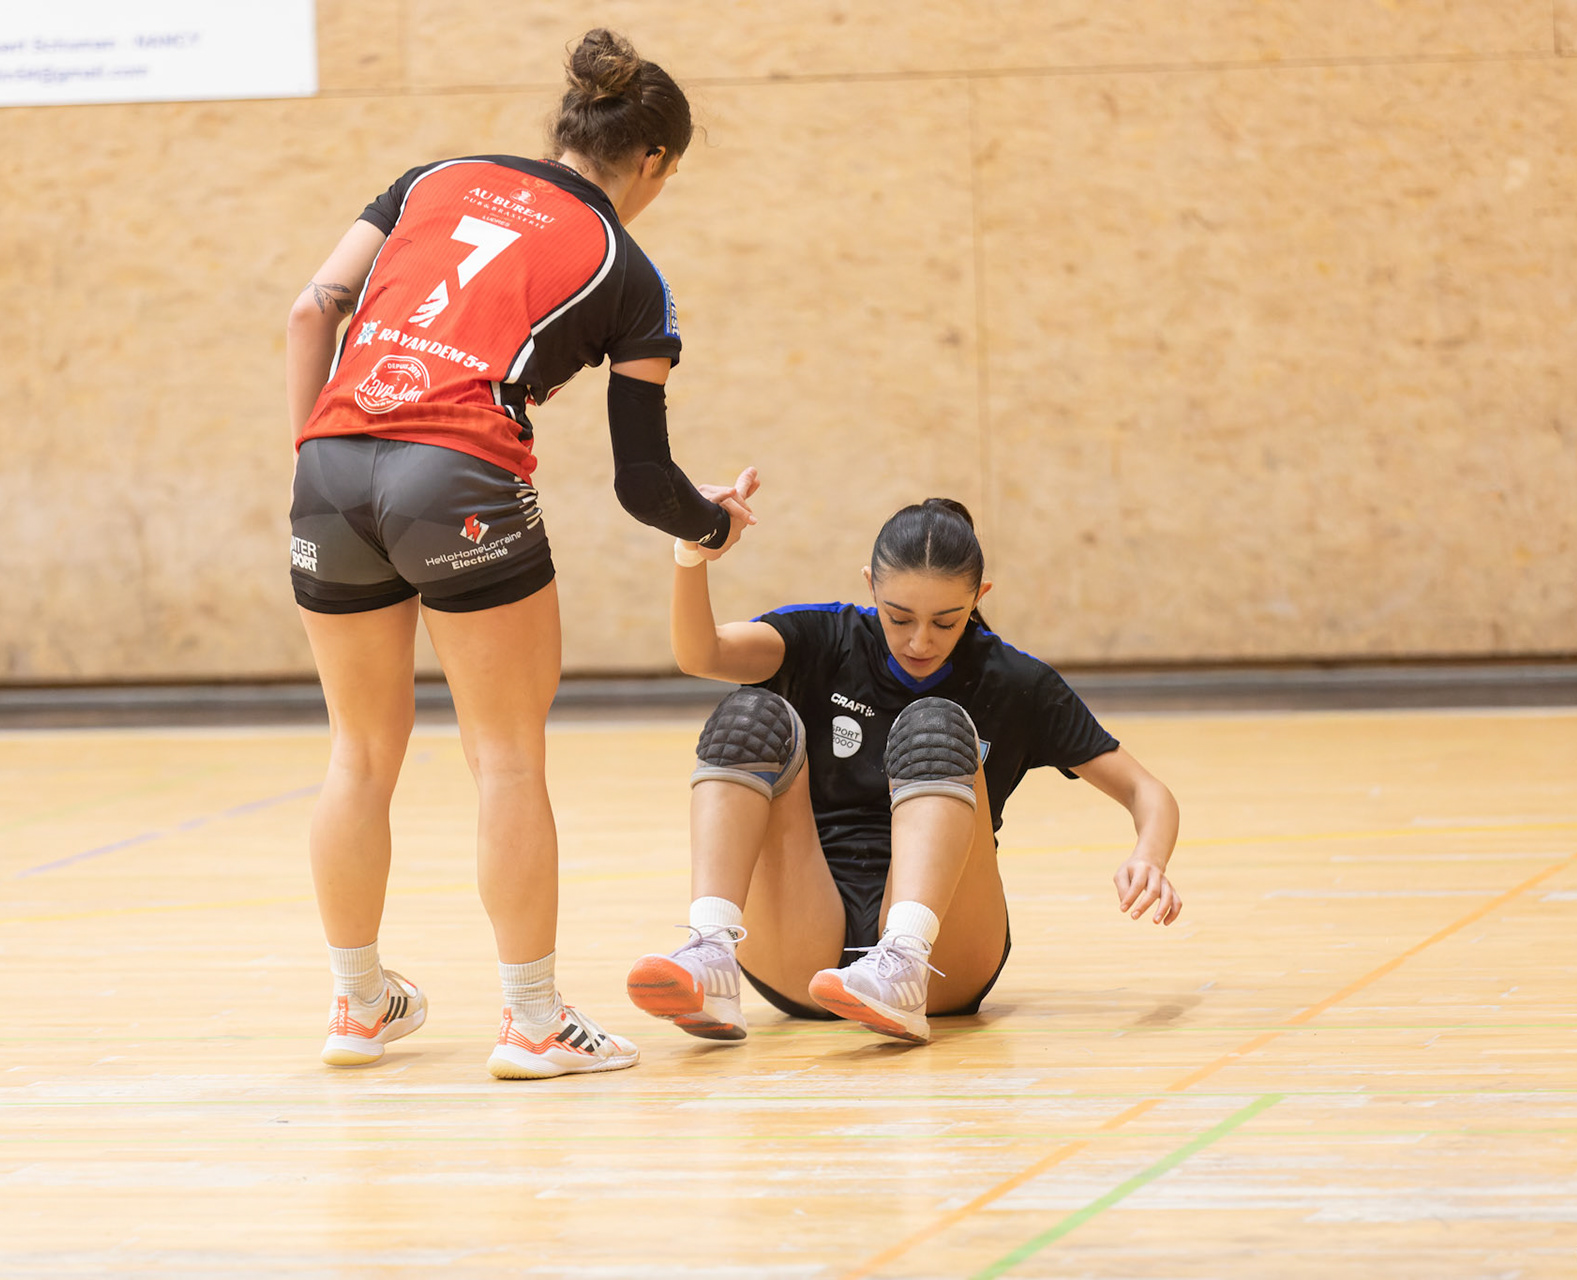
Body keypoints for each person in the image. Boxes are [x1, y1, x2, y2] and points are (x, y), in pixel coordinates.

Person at [284, 29, 753, 1078]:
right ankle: (533, 1019)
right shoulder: (630, 273)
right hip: (456, 478)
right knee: (505, 754)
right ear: (655, 165)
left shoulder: (433, 178)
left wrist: (319, 454)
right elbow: (646, 483)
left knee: (358, 752)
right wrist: (713, 525)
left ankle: (359, 1004)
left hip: (331, 461)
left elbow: (313, 303)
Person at [626, 498, 1181, 1045]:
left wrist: (1148, 857)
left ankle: (903, 962)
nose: (921, 641)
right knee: (747, 716)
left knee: (934, 725)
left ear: (978, 598)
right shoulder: (826, 639)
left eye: (946, 621)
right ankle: (710, 950)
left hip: (944, 959)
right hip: (803, 935)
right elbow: (702, 654)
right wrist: (691, 555)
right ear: (871, 586)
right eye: (899, 617)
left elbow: (1145, 789)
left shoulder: (1016, 681)